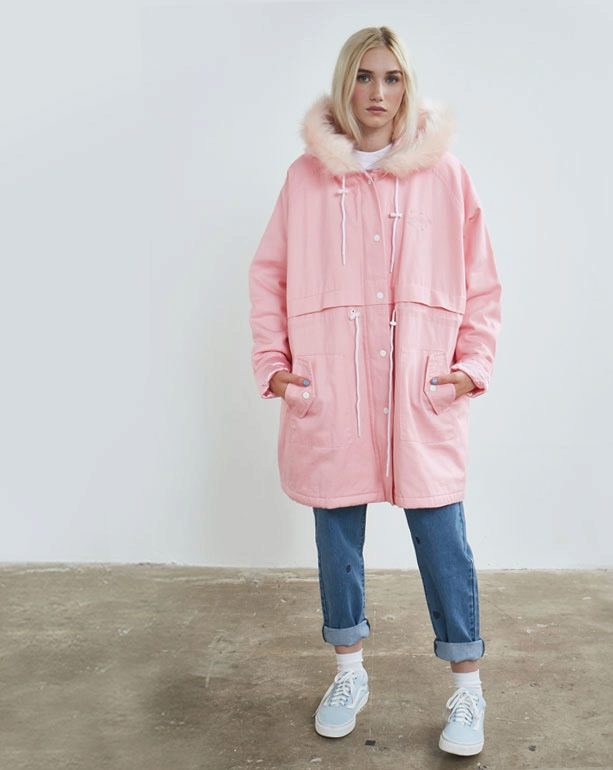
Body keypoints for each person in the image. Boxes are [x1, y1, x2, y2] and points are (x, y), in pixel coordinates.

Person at [248, 25, 502, 757]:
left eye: (391, 78)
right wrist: (274, 363)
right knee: (337, 535)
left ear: (406, 86)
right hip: (333, 385)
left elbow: (482, 282)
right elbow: (270, 275)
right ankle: (348, 672)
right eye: (364, 77)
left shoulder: (445, 176)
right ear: (345, 83)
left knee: (442, 536)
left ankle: (467, 688)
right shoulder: (306, 178)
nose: (377, 93)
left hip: (423, 386)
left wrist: (471, 365)